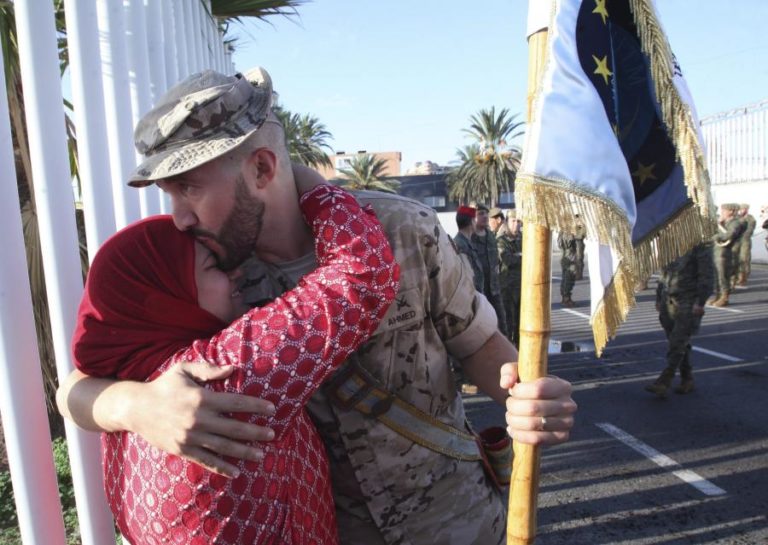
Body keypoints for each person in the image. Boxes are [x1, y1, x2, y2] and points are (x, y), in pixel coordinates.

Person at [58, 67, 577, 545]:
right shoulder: (206, 276)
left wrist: (525, 397)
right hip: (330, 531)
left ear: (262, 168)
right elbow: (75, 388)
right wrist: (137, 406)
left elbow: (479, 342)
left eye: (188, 189)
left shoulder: (399, 229)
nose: (179, 218)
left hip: (454, 521)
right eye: (169, 195)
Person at [68, 184, 399, 544]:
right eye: (214, 266)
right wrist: (312, 189)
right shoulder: (219, 374)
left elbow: (73, 389)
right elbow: (363, 274)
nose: (237, 273)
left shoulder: (130, 400)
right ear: (160, 301)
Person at [645, 242, 714, 397]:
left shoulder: (700, 245)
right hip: (668, 299)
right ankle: (687, 378)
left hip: (688, 301)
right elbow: (664, 275)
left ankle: (664, 381)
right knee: (677, 341)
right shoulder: (670, 243)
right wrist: (658, 297)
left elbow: (707, 276)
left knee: (678, 341)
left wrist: (700, 302)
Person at [472, 205, 509, 337]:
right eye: (480, 214)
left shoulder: (491, 237)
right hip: (478, 292)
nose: (484, 216)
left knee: (501, 324)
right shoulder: (468, 238)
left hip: (494, 289)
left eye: (485, 213)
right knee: (481, 328)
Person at [493, 208, 523, 347]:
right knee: (508, 321)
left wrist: (518, 256)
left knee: (521, 320)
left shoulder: (524, 239)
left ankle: (519, 347)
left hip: (522, 287)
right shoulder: (501, 240)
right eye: (513, 221)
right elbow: (508, 259)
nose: (516, 224)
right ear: (506, 222)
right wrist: (522, 256)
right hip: (507, 287)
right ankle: (509, 349)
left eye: (518, 221)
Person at [710, 203, 745, 307]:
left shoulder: (735, 223)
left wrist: (716, 236)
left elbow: (729, 235)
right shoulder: (723, 222)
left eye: (724, 210)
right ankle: (718, 295)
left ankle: (724, 297)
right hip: (717, 251)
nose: (722, 212)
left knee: (723, 275)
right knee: (717, 275)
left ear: (731, 211)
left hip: (725, 252)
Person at [453, 205, 484, 293]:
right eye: (474, 220)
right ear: (471, 222)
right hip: (469, 294)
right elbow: (466, 275)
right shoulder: (460, 244)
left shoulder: (467, 242)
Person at [735, 203, 756, 286]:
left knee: (744, 258)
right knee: (736, 258)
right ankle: (738, 276)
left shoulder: (751, 219)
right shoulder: (737, 217)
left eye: (742, 209)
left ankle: (744, 277)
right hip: (736, 241)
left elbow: (749, 230)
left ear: (746, 209)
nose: (740, 211)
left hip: (745, 241)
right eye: (740, 209)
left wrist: (740, 234)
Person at [557, 230, 579, 308]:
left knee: (567, 277)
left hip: (568, 255)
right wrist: (573, 235)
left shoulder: (563, 230)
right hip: (568, 255)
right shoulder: (566, 231)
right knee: (569, 276)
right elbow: (567, 242)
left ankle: (566, 297)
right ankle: (566, 298)